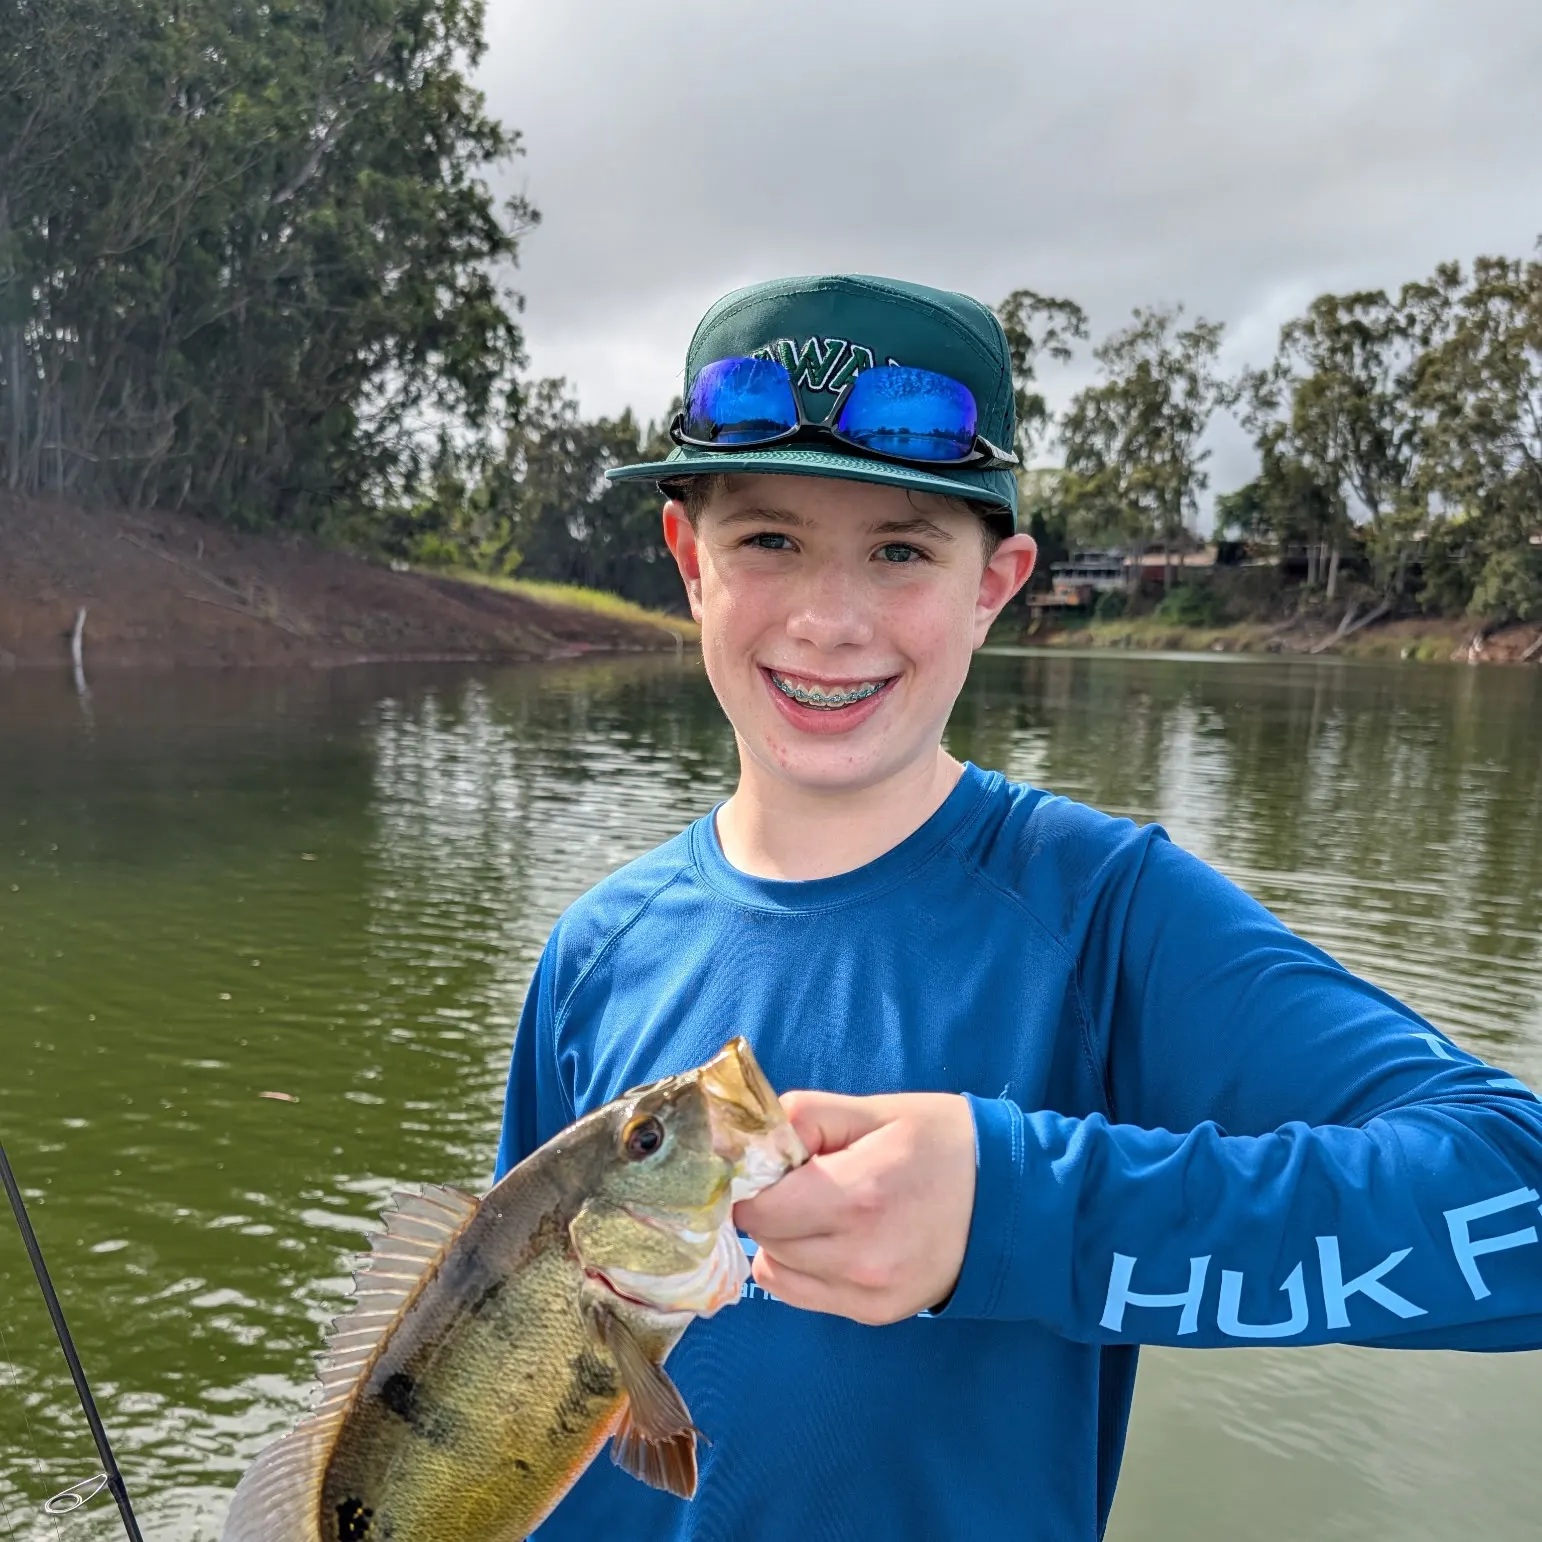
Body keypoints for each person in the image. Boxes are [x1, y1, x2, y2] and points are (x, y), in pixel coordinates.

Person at [495, 273, 1542, 1541]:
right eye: (768, 539)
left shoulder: (1107, 918)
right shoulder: (592, 953)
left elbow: (1513, 1194)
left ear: (996, 584)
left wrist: (1021, 1211)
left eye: (902, 550)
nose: (830, 621)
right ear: (687, 564)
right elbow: (507, 1367)